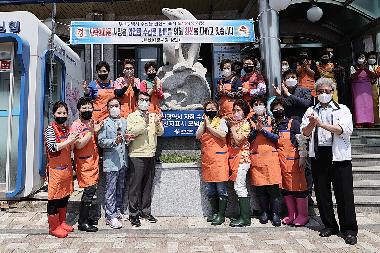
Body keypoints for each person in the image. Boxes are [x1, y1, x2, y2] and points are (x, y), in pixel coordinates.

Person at [301, 77, 358, 245]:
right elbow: (304, 133)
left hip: (339, 156)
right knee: (322, 193)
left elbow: (345, 130)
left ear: (332, 92)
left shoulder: (342, 109)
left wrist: (321, 124)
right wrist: (312, 124)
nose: (324, 94)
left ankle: (349, 229)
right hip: (319, 154)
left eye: (327, 91)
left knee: (344, 194)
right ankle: (330, 225)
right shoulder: (311, 110)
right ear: (316, 93)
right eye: (320, 91)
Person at [126, 92, 164, 227]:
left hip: (150, 154)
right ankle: (134, 214)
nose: (144, 102)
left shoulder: (153, 115)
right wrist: (145, 123)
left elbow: (160, 132)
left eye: (146, 100)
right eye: (141, 99)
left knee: (147, 186)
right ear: (137, 102)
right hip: (137, 155)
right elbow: (131, 132)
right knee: (135, 187)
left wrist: (158, 123)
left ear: (149, 103)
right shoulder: (131, 116)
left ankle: (145, 211)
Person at [270, 98, 309, 226]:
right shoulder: (274, 126)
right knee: (286, 190)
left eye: (280, 108)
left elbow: (301, 140)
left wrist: (303, 156)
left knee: (299, 189)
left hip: (295, 162)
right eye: (275, 109)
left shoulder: (293, 123)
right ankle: (291, 214)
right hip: (281, 164)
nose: (278, 111)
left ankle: (303, 215)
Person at [44, 101, 79, 238]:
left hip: (66, 170)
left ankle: (62, 222)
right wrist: (69, 141)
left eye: (64, 113)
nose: (62, 115)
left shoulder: (66, 129)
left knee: (64, 196)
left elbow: (71, 146)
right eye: (59, 113)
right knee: (53, 199)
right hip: (55, 170)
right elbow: (53, 147)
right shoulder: (50, 129)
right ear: (54, 114)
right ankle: (53, 227)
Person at [98, 98, 133, 229]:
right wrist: (114, 141)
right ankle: (110, 216)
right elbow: (101, 141)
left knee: (121, 187)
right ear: (107, 108)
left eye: (116, 105)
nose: (114, 108)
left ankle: (118, 211)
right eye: (111, 106)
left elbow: (126, 140)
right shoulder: (104, 123)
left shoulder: (124, 122)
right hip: (111, 162)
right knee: (110, 190)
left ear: (120, 107)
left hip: (123, 161)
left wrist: (128, 140)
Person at [248, 96, 282, 227]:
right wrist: (256, 131)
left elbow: (276, 137)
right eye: (255, 104)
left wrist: (263, 131)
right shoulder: (249, 121)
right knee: (260, 187)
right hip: (257, 157)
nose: (258, 106)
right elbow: (248, 139)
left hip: (271, 157)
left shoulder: (272, 120)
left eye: (260, 104)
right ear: (252, 107)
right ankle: (264, 212)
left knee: (273, 187)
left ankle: (275, 214)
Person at [71, 97, 103, 232]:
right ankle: (82, 222)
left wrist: (95, 130)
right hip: (84, 163)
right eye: (84, 107)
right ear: (79, 109)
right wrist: (91, 131)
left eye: (89, 107)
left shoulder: (91, 122)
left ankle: (87, 217)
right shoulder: (76, 125)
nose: (87, 109)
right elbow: (78, 144)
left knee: (91, 190)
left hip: (93, 161)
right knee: (89, 191)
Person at [195, 101, 229, 226]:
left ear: (217, 109)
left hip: (219, 160)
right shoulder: (203, 123)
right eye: (208, 109)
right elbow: (197, 135)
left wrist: (209, 127)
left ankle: (221, 215)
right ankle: (214, 212)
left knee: (221, 189)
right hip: (208, 161)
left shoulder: (222, 121)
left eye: (212, 108)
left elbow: (223, 134)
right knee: (210, 190)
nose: (210, 110)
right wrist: (204, 125)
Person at [227, 99, 252, 227]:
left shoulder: (246, 124)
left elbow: (237, 141)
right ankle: (242, 214)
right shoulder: (234, 123)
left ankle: (245, 218)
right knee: (237, 186)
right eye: (234, 110)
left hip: (243, 158)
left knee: (240, 186)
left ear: (244, 112)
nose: (235, 113)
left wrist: (231, 127)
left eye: (238, 110)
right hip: (234, 157)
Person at [350, 53, 378, 128]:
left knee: (368, 104)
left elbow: (373, 76)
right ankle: (359, 121)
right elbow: (352, 77)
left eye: (363, 57)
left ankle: (369, 121)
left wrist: (365, 68)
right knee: (358, 104)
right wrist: (360, 69)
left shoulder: (369, 67)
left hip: (367, 86)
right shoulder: (353, 67)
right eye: (360, 57)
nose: (362, 58)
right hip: (357, 86)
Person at [368, 51, 380, 124]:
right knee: (372, 105)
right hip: (370, 87)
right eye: (370, 58)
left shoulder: (377, 67)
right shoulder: (367, 67)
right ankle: (373, 121)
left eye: (374, 58)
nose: (372, 59)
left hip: (377, 87)